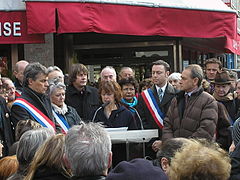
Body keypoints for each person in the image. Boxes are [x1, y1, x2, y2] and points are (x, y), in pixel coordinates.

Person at [162, 64, 218, 142]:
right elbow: (167, 125)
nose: (180, 81)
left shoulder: (208, 101)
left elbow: (206, 131)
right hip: (174, 151)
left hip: (196, 151)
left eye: (184, 79)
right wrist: (171, 144)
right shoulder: (176, 99)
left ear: (195, 81)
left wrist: (184, 146)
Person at [137, 60, 176, 157]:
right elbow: (142, 120)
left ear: (167, 74)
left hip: (171, 145)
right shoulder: (144, 96)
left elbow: (178, 122)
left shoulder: (177, 94)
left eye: (158, 73)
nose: (154, 75)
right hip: (151, 146)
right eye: (153, 72)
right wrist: (153, 141)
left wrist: (165, 141)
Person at [11, 62, 55, 131]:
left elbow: (54, 124)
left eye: (47, 81)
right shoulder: (19, 106)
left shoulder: (46, 98)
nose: (47, 84)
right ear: (30, 81)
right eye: (43, 81)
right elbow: (27, 135)